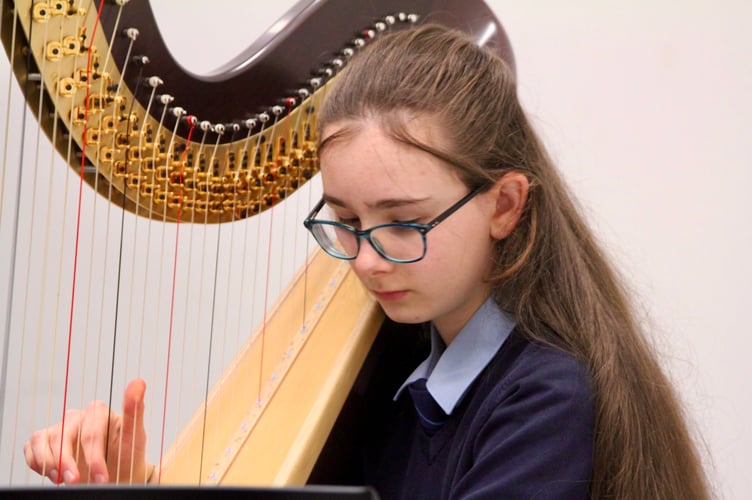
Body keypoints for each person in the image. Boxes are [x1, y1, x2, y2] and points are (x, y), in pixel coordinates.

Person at [24, 24, 710, 499]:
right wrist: (136, 482)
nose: (367, 260)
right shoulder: (397, 373)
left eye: (404, 222)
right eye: (346, 221)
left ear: (505, 205)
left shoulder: (543, 404)